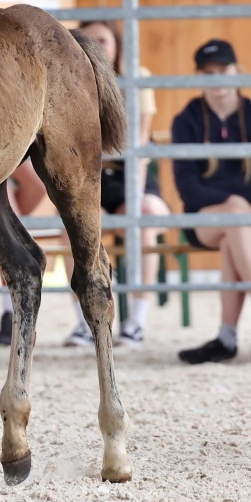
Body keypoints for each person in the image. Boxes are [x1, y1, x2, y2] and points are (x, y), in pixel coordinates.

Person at [173, 39, 251, 365]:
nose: (217, 79)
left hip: (250, 222)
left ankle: (226, 338)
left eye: (223, 70)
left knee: (233, 235)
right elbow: (188, 189)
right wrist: (236, 202)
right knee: (234, 217)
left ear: (237, 71)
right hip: (202, 218)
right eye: (207, 72)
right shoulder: (187, 120)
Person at [62, 20, 171, 348]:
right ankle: (85, 321)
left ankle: (136, 319)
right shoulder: (70, 86)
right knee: (73, 227)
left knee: (144, 219)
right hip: (91, 180)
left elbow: (138, 143)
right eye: (89, 40)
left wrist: (134, 198)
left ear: (117, 46)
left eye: (103, 40)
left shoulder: (137, 77)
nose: (98, 46)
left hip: (130, 177)